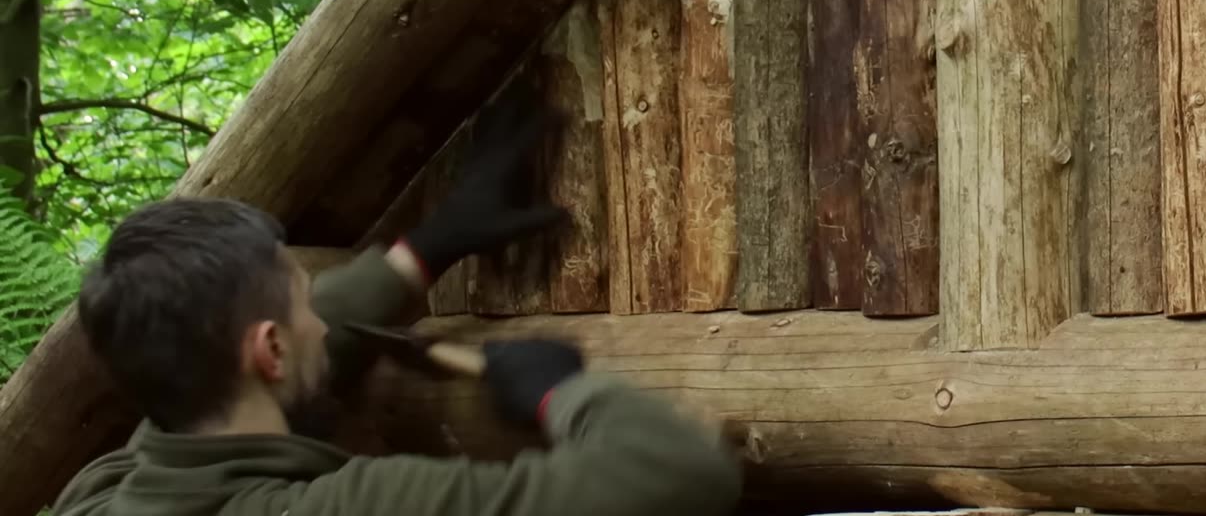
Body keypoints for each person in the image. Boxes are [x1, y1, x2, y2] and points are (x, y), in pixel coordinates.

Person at [50, 94, 742, 516]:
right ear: (268, 349)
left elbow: (259, 357)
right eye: (304, 303)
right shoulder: (355, 507)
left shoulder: (102, 492)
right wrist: (561, 393)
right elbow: (677, 474)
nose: (321, 316)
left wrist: (427, 247)